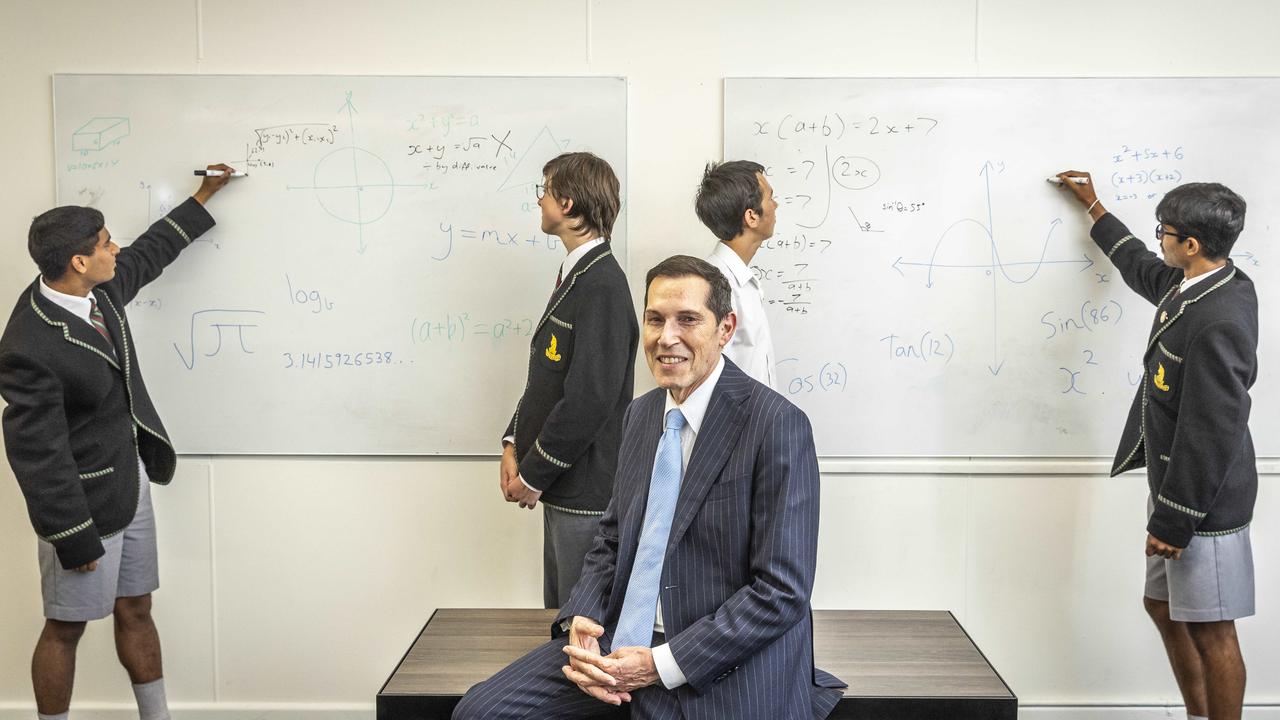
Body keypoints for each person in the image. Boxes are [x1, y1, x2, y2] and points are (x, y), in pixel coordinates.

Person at [456, 255, 845, 719]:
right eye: (655, 320)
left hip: (717, 662)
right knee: (480, 712)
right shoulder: (640, 416)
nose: (667, 338)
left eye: (688, 320)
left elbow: (781, 592)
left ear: (725, 328)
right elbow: (612, 537)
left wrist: (659, 664)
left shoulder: (777, 425)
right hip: (620, 643)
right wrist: (584, 616)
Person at [1, 165, 239, 720]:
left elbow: (150, 253)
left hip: (127, 483)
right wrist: (73, 535)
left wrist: (203, 195)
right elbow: (37, 454)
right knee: (65, 626)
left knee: (136, 606)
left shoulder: (98, 292)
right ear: (79, 261)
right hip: (82, 505)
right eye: (107, 243)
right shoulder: (28, 345)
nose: (117, 248)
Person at [1056, 172, 1257, 720]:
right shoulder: (1198, 283)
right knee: (1163, 607)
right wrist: (1094, 207)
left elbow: (1212, 430)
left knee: (1212, 628)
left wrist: (1175, 519)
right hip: (1173, 485)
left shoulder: (1218, 320)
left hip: (1202, 502)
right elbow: (1139, 265)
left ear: (1190, 245)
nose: (1160, 240)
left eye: (1165, 232)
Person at [500, 151, 637, 609]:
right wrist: (511, 442)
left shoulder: (602, 285)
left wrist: (534, 474)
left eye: (545, 190)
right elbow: (547, 378)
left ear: (569, 203)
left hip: (585, 495)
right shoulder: (579, 277)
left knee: (577, 631)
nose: (539, 200)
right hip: (564, 486)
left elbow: (589, 400)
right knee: (559, 621)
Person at [696, 160, 779, 388]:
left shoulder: (742, 281)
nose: (776, 205)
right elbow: (710, 380)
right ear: (751, 216)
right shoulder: (715, 285)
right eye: (770, 198)